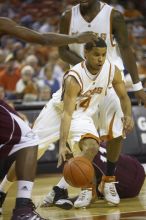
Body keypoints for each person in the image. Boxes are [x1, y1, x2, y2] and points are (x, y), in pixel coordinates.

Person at [0, 38, 133, 213]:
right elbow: (67, 113)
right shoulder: (74, 77)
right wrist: (62, 144)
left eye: (103, 55)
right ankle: (2, 192)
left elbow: (123, 96)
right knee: (29, 154)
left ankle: (72, 189)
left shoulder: (111, 70)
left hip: (83, 115)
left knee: (91, 147)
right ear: (85, 54)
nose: (100, 59)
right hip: (56, 113)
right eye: (96, 55)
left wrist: (128, 115)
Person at [40, 0, 145, 209]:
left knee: (116, 130)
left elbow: (126, 49)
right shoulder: (67, 17)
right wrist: (87, 68)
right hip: (80, 84)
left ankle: (109, 181)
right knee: (79, 141)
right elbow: (62, 52)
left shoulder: (113, 16)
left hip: (109, 81)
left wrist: (137, 85)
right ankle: (82, 188)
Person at [0, 16, 97, 219]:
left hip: (80, 113)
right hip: (57, 109)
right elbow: (41, 38)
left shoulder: (109, 72)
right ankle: (23, 210)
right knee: (28, 139)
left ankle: (58, 190)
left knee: (25, 136)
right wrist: (77, 38)